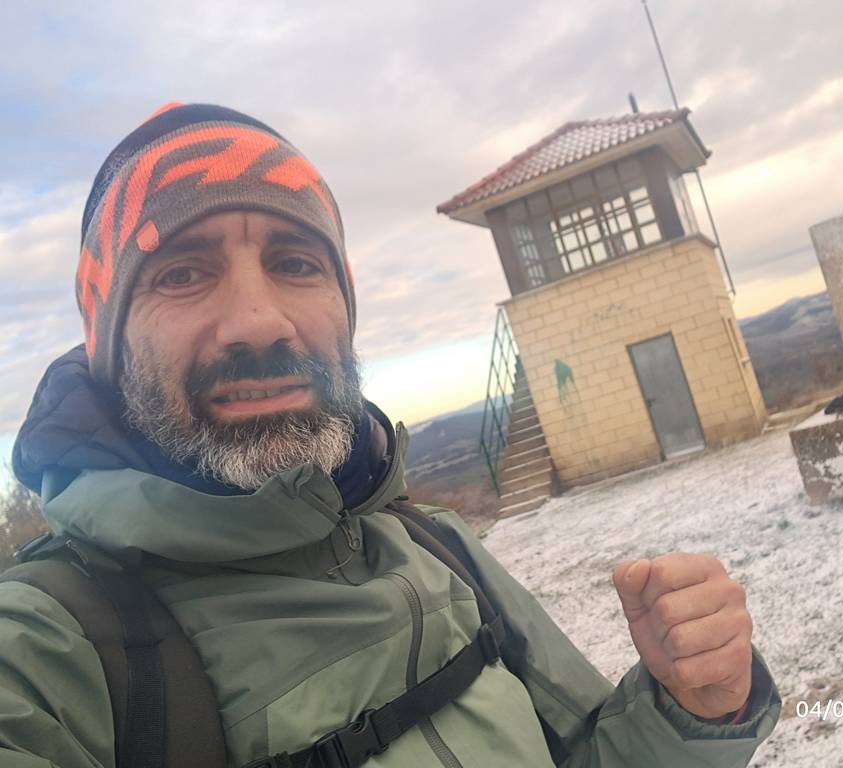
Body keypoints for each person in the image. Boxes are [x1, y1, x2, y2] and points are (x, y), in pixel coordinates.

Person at [2, 103, 780, 768]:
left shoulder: (436, 544)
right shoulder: (45, 657)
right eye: (181, 274)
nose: (259, 322)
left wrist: (691, 709)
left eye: (296, 263)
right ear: (106, 343)